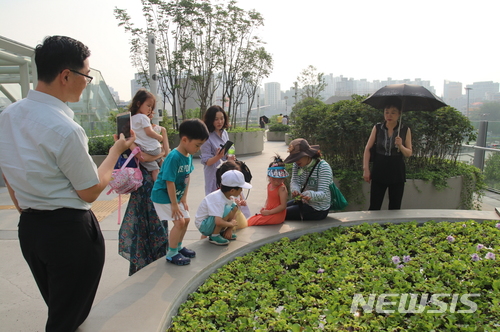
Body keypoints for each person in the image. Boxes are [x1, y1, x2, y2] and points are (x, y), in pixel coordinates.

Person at [0, 35, 136, 332]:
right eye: (86, 75)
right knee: (65, 320)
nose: (87, 82)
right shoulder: (65, 128)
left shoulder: (6, 116)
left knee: (61, 308)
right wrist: (115, 152)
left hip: (31, 230)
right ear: (66, 76)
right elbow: (89, 191)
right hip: (68, 235)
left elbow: (9, 173)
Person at [152, 119, 209, 265]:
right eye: (197, 145)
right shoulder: (174, 157)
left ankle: (177, 247)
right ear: (184, 140)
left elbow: (186, 177)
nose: (198, 149)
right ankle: (171, 254)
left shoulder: (188, 156)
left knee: (186, 220)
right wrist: (174, 204)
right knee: (179, 222)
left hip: (175, 197)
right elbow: (169, 182)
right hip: (163, 195)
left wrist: (183, 198)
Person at [363, 98, 412, 210]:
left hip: (397, 171)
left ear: (399, 114)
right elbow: (367, 148)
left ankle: (392, 226)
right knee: (375, 204)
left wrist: (400, 146)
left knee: (395, 206)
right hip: (379, 168)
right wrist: (366, 169)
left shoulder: (405, 129)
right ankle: (373, 226)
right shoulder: (378, 128)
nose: (389, 115)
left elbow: (409, 153)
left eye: (393, 112)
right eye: (386, 112)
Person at [195, 170, 252, 246]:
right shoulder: (218, 199)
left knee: (234, 206)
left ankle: (220, 232)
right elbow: (218, 222)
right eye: (241, 189)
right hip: (204, 226)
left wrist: (229, 229)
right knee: (227, 209)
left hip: (211, 222)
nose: (241, 191)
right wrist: (230, 224)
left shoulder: (228, 196)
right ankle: (214, 236)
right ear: (232, 190)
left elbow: (234, 211)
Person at [284, 138, 333, 221]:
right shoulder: (297, 165)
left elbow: (323, 194)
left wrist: (309, 194)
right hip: (303, 201)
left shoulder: (323, 167)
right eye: (294, 158)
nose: (296, 161)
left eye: (298, 157)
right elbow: (295, 181)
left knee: (281, 213)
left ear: (308, 154)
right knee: (279, 208)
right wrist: (295, 190)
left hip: (318, 209)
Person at [130, 89, 165, 181]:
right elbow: (149, 132)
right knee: (159, 166)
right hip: (152, 148)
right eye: (148, 105)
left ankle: (158, 185)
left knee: (155, 169)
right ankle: (161, 185)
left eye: (151, 107)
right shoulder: (143, 117)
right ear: (138, 104)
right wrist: (159, 137)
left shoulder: (130, 119)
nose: (150, 109)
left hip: (143, 149)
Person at [201, 105, 234, 195]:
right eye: (216, 119)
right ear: (210, 120)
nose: (220, 122)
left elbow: (228, 151)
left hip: (225, 172)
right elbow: (207, 161)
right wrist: (218, 156)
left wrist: (229, 157)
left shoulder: (224, 133)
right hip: (212, 174)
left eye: (222, 118)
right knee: (214, 199)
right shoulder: (206, 136)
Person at [247, 155, 289, 226]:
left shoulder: (282, 189)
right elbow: (269, 199)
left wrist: (269, 212)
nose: (277, 181)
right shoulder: (269, 185)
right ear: (269, 176)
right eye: (274, 178)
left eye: (280, 179)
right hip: (270, 211)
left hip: (277, 215)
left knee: (253, 221)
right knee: (253, 218)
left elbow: (283, 206)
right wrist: (265, 208)